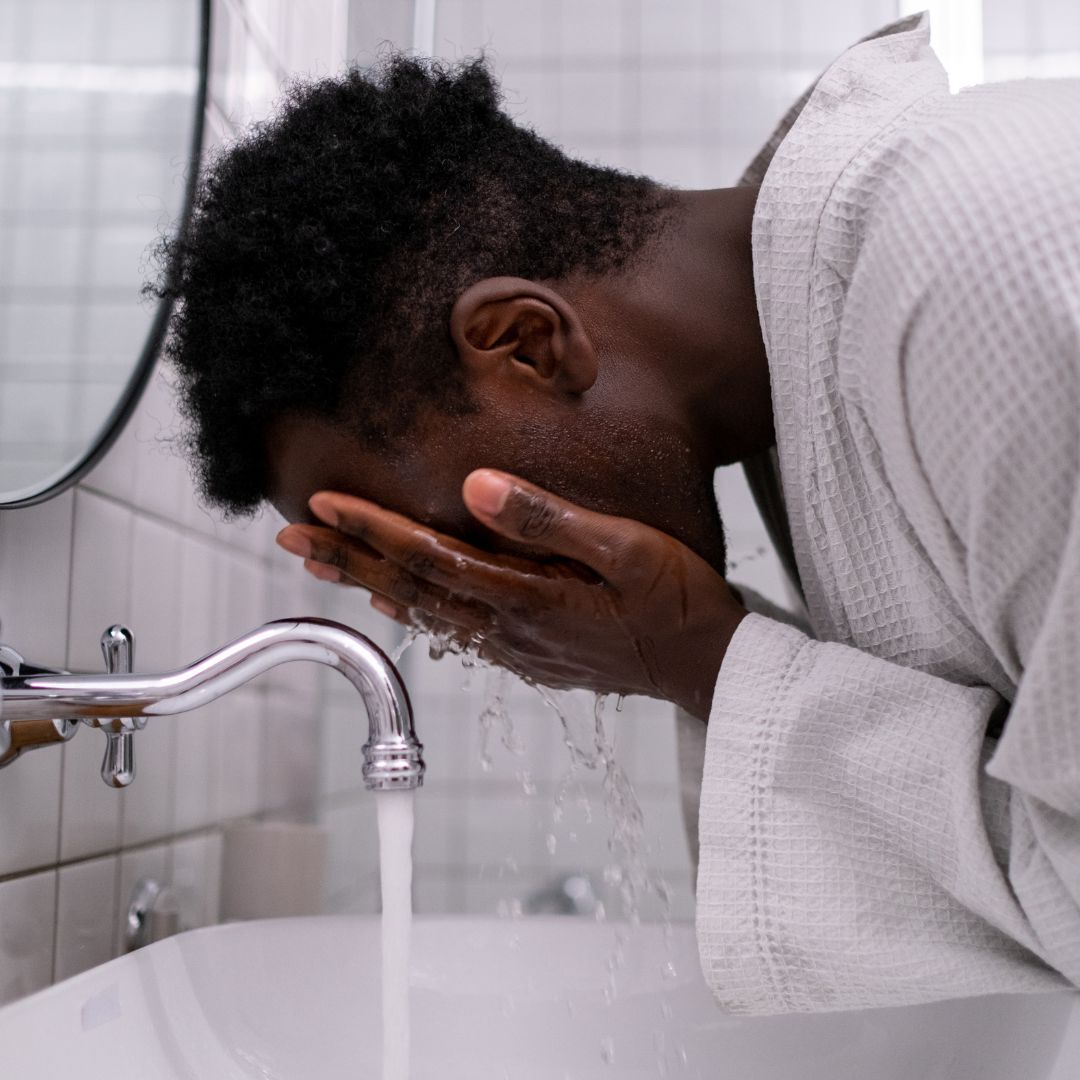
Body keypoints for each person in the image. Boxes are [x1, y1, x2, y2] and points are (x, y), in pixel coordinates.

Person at [155, 13, 1080, 1012]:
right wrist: (703, 659)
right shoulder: (828, 349)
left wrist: (705, 663)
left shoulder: (981, 266)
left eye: (457, 540)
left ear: (526, 343)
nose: (495, 603)